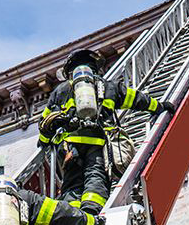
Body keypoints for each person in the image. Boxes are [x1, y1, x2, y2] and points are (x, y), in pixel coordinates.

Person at [38, 48, 175, 214]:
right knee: (95, 177)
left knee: (72, 185)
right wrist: (159, 107)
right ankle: (91, 213)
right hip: (97, 142)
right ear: (95, 68)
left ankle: (71, 219)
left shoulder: (60, 91)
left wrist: (44, 143)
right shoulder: (109, 87)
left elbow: (45, 122)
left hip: (69, 147)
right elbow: (137, 99)